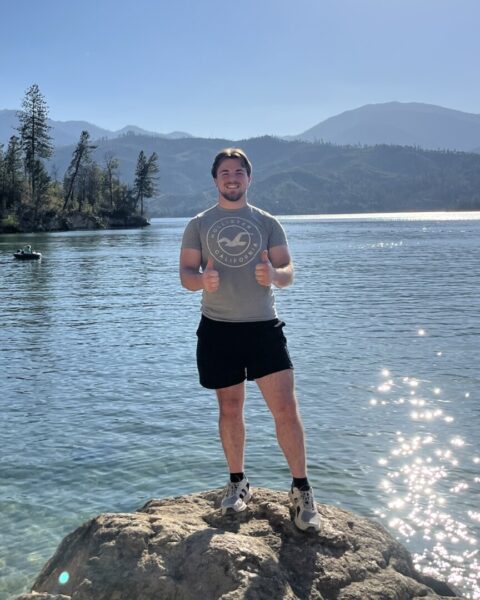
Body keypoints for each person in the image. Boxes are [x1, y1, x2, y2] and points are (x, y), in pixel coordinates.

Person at [179, 147, 321, 532]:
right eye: (225, 172)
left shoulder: (267, 222)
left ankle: (301, 491)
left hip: (262, 328)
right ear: (215, 179)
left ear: (249, 178)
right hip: (218, 328)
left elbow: (289, 270)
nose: (232, 178)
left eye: (238, 172)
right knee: (230, 409)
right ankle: (239, 482)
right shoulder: (199, 224)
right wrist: (201, 282)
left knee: (285, 410)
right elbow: (186, 275)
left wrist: (275, 276)